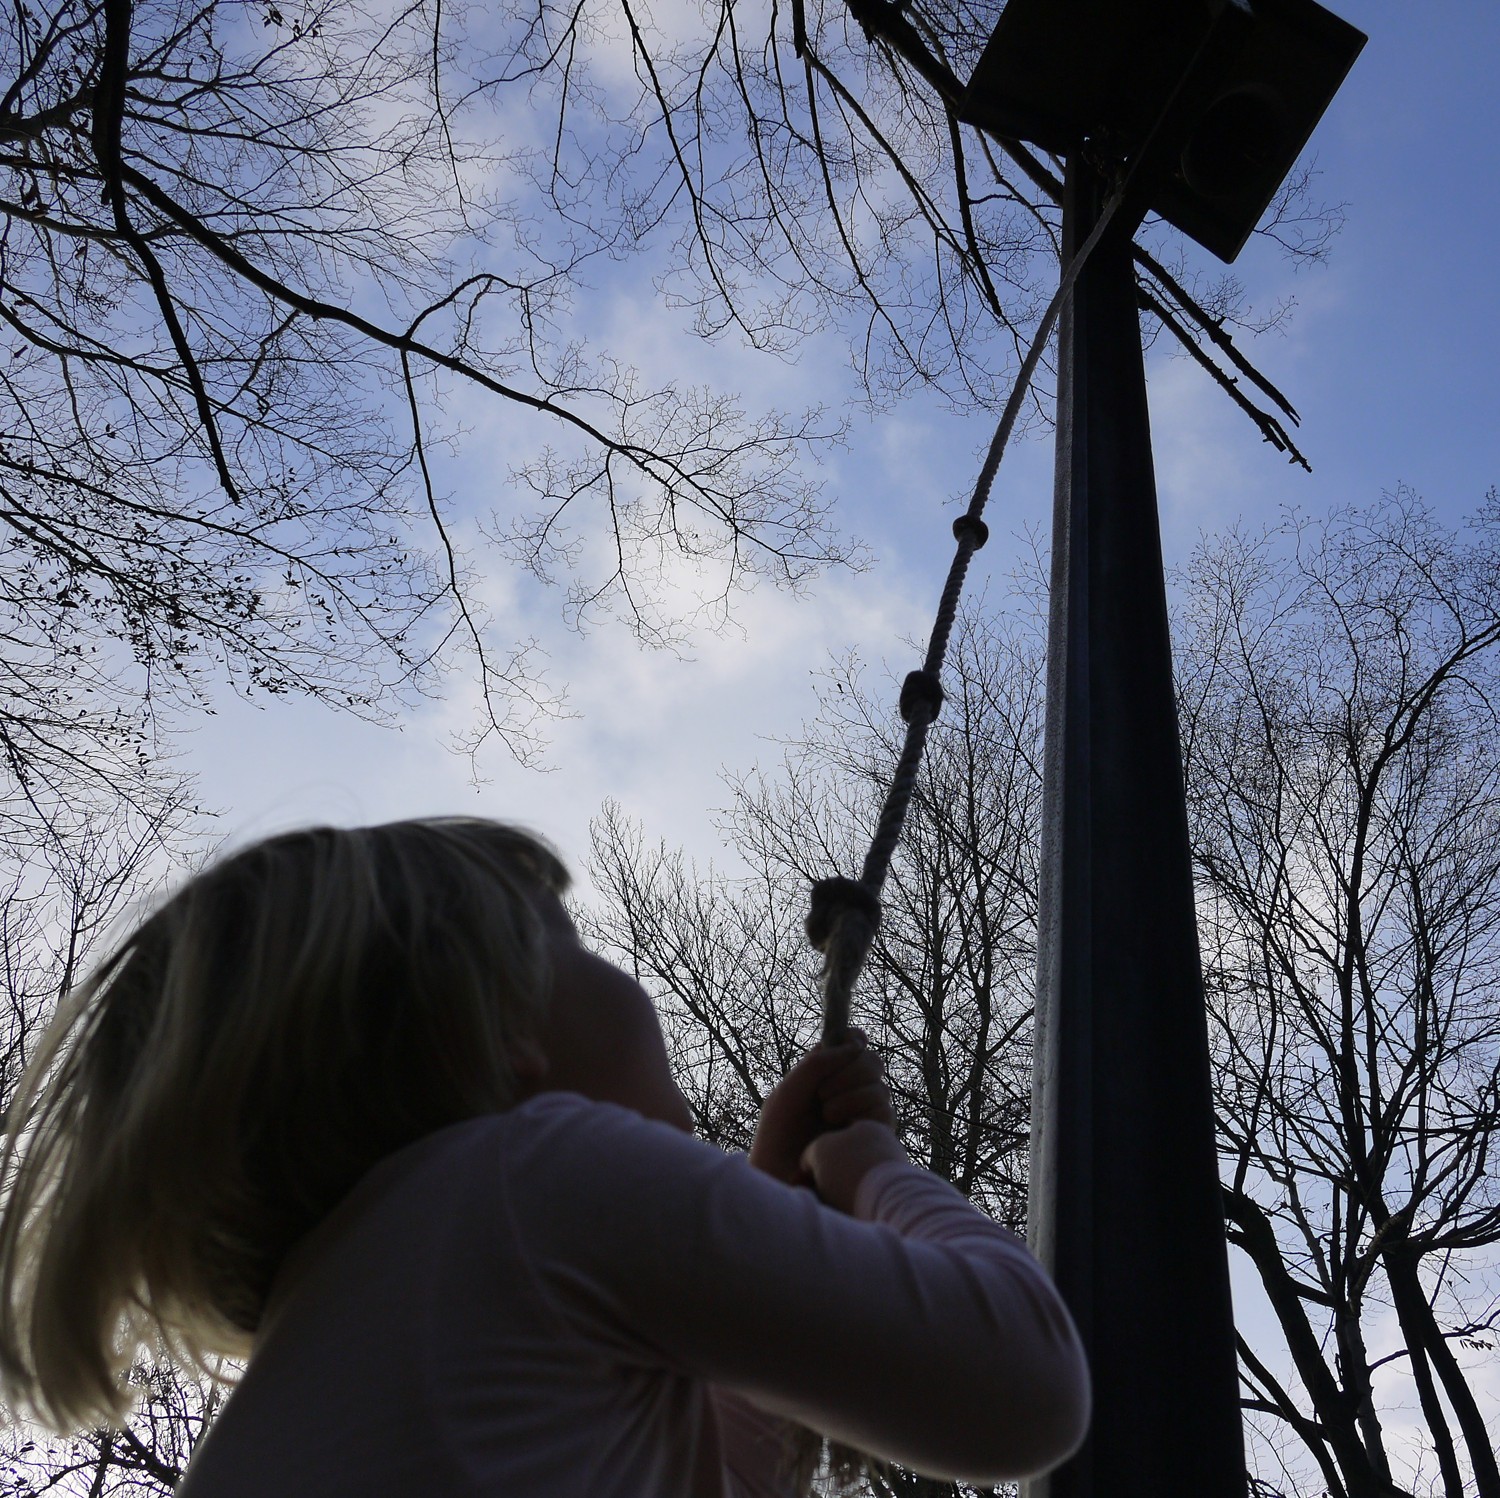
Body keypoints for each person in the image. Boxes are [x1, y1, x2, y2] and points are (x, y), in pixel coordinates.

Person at [0, 818, 1089, 1496]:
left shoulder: (365, 1313)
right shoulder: (532, 1176)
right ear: (497, 1036)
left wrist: (765, 1197)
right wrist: (869, 1172)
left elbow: (716, 1479)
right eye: (569, 946)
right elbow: (1024, 1387)